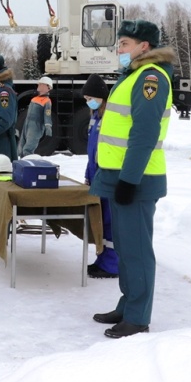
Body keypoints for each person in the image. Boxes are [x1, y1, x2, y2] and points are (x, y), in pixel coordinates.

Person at [90, 20, 174, 339]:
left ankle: (138, 318)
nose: (119, 50)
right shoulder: (133, 76)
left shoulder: (150, 78)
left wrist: (128, 180)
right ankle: (128, 304)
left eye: (124, 43)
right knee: (125, 246)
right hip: (120, 176)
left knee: (137, 249)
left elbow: (144, 134)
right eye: (119, 44)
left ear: (144, 47)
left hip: (136, 179)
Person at [81, 73, 118, 279]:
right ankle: (103, 259)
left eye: (91, 99)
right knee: (100, 220)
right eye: (86, 100)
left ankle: (112, 265)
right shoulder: (94, 118)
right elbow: (91, 149)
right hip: (96, 173)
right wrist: (88, 173)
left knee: (110, 221)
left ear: (101, 97)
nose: (89, 103)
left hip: (107, 174)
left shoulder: (109, 117)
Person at [18, 76, 53, 157]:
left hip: (36, 127)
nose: (39, 85)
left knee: (28, 149)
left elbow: (47, 115)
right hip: (27, 125)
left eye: (41, 84)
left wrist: (48, 127)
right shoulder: (34, 99)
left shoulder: (47, 101)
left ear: (47, 87)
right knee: (20, 147)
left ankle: (28, 164)